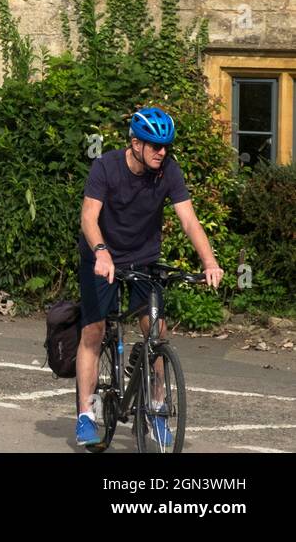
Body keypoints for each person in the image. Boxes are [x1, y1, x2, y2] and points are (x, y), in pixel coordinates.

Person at [74, 107, 223, 449]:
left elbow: (189, 220)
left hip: (143, 258)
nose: (162, 152)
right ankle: (86, 414)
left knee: (156, 331)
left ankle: (156, 409)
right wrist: (100, 251)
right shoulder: (106, 166)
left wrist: (210, 262)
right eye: (155, 146)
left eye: (166, 146)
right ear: (135, 143)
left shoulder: (168, 171)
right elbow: (88, 216)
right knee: (94, 330)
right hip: (101, 256)